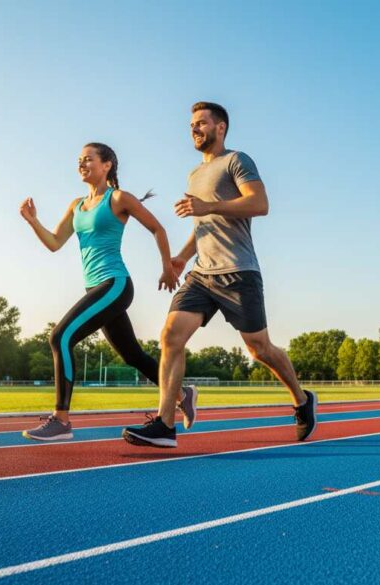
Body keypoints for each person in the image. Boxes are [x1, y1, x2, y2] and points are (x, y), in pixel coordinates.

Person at [122, 102, 317, 448]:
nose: (194, 129)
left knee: (259, 349)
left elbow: (260, 204)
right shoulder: (194, 175)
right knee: (170, 336)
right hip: (201, 275)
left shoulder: (237, 161)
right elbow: (202, 225)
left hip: (238, 271)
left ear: (221, 127)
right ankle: (165, 425)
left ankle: (302, 400)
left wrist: (208, 206)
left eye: (201, 123)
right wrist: (182, 257)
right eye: (191, 125)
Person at [19, 142, 198, 441]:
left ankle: (61, 420)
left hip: (114, 284)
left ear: (107, 165)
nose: (82, 164)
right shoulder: (76, 206)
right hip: (95, 288)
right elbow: (54, 243)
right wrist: (33, 221)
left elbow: (158, 229)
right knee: (133, 355)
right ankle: (182, 394)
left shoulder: (117, 199)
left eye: (88, 159)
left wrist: (168, 267)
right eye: (79, 160)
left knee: (59, 337)